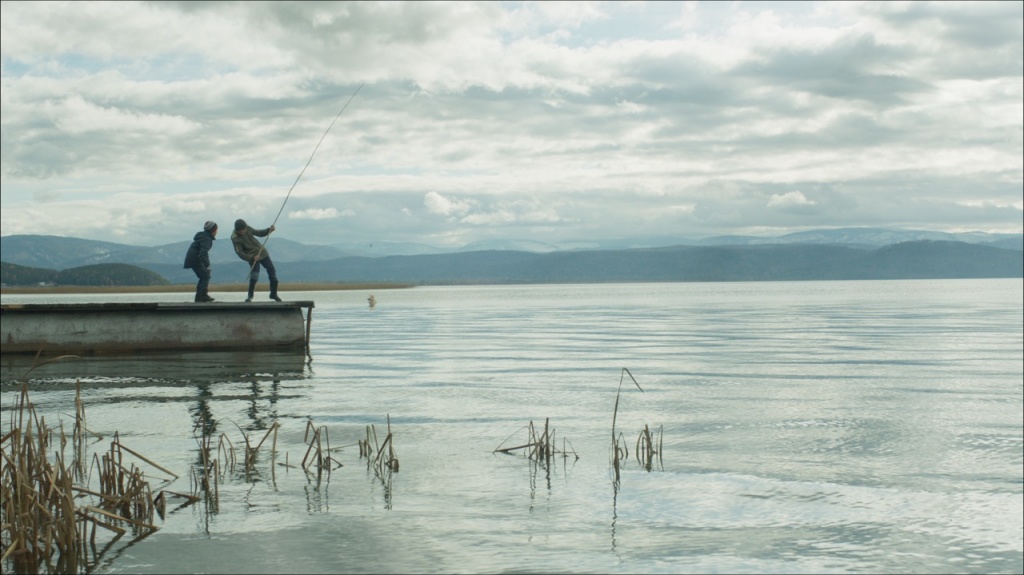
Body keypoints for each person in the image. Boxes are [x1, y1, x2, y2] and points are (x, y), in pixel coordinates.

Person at [231, 218, 282, 302]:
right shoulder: (235, 238)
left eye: (244, 229)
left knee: (272, 271)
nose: (243, 231)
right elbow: (240, 253)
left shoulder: (248, 228)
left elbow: (259, 233)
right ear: (237, 230)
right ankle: (250, 296)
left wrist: (269, 230)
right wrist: (252, 257)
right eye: (241, 230)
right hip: (252, 257)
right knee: (254, 276)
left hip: (262, 252)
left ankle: (273, 294)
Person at [183, 221, 218, 302]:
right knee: (205, 276)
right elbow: (203, 253)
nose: (217, 232)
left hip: (192, 258)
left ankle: (199, 298)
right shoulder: (207, 239)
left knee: (203, 277)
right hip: (195, 259)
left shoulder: (203, 236)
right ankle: (203, 296)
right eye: (216, 230)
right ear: (213, 231)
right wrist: (207, 265)